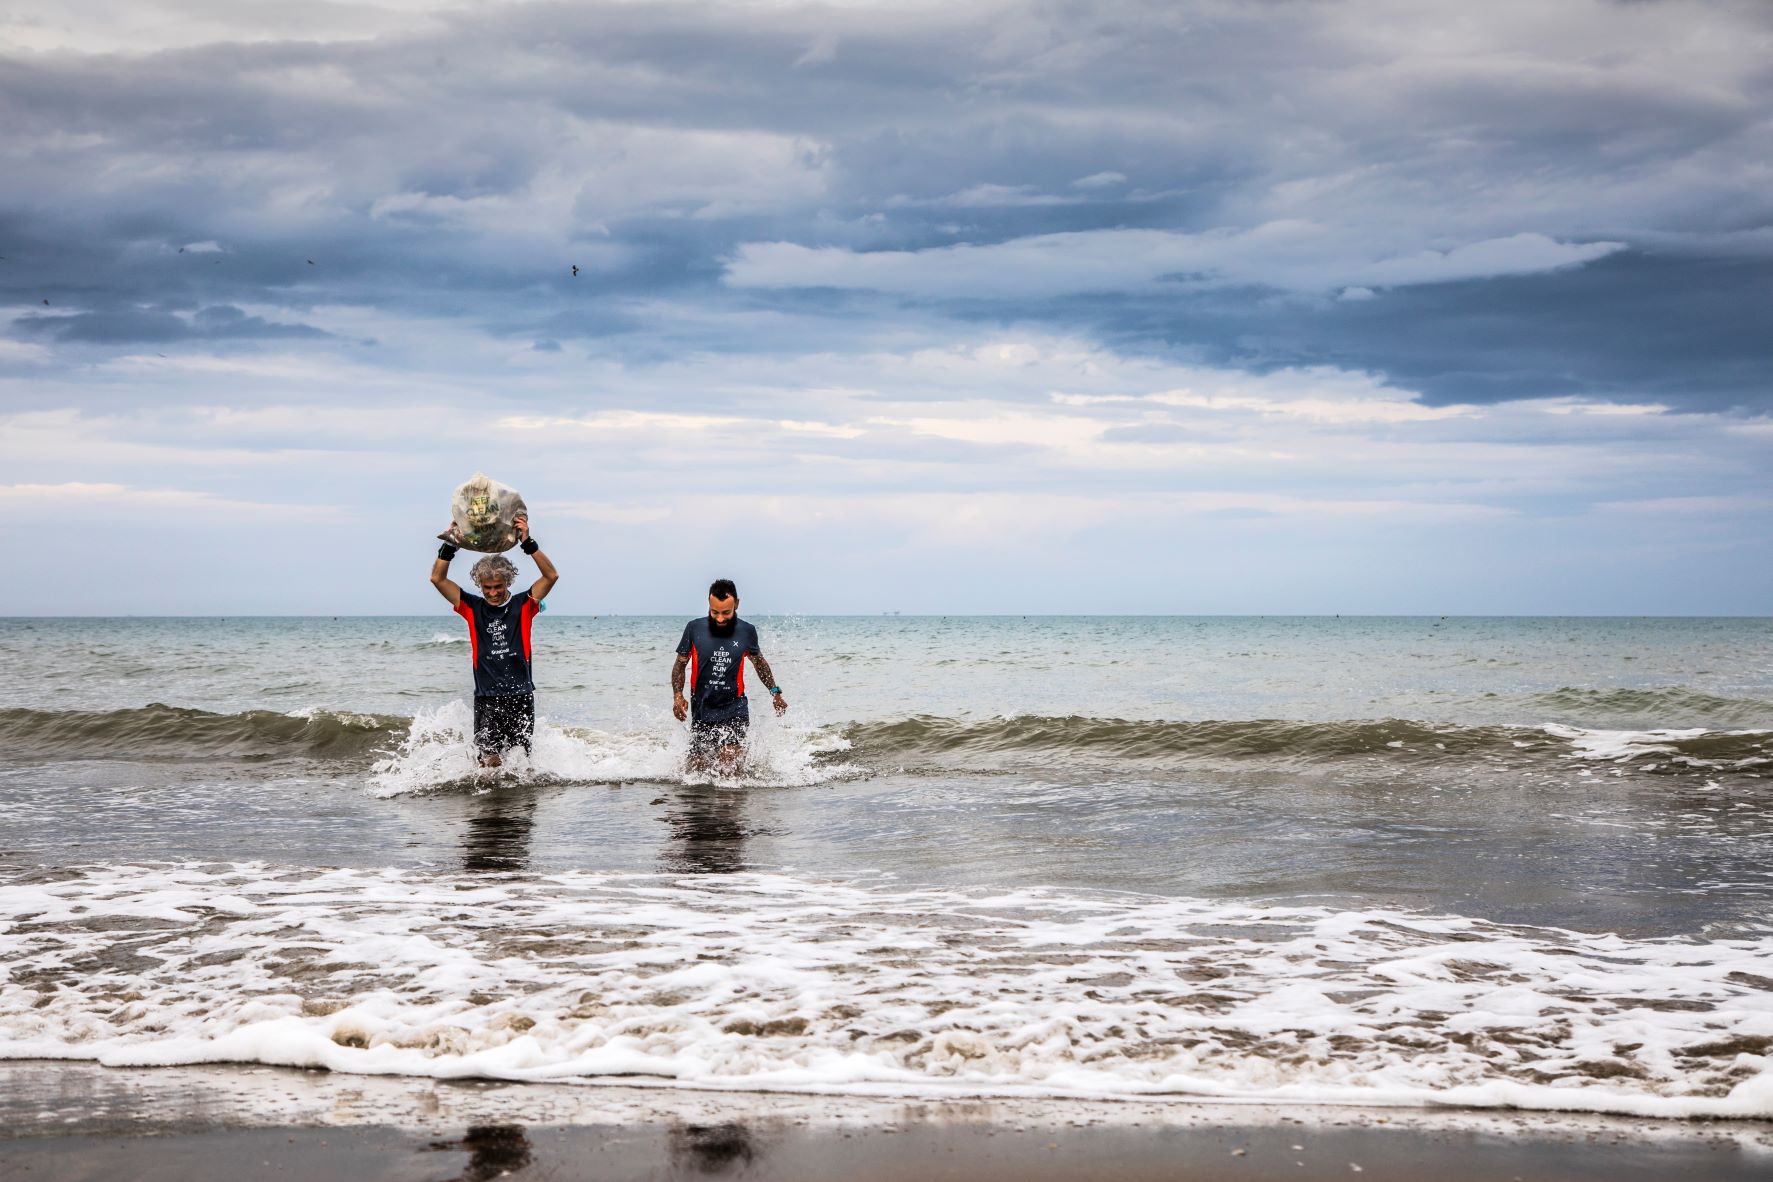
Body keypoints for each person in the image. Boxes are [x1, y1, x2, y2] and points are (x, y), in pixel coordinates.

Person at [430, 514, 558, 768]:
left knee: (520, 762)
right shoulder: (472, 607)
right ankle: (489, 805)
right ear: (479, 585)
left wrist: (528, 542)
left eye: (498, 586)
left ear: (508, 581)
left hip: (520, 695)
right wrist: (450, 545)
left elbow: (551, 576)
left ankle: (514, 807)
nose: (493, 592)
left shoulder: (524, 605)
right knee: (488, 761)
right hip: (487, 698)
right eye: (487, 587)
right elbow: (438, 579)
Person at [671, 579, 786, 773]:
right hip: (702, 708)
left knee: (729, 765)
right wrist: (677, 696)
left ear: (737, 604)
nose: (720, 619)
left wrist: (775, 692)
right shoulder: (694, 628)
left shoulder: (747, 631)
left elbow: (759, 663)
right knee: (696, 769)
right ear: (709, 604)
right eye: (714, 612)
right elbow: (680, 665)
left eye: (726, 612)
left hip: (735, 707)